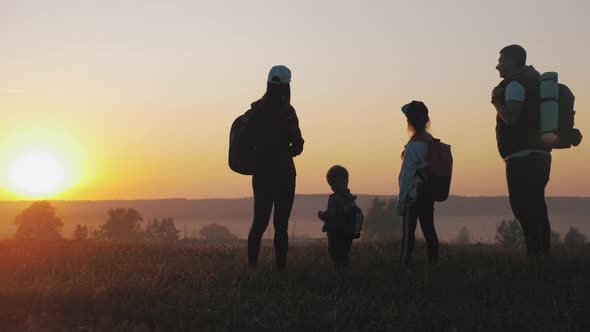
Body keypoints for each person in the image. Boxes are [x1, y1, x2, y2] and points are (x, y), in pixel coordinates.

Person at [492, 44, 552, 256]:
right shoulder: (536, 82)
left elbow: (513, 118)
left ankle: (535, 257)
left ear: (512, 61)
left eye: (501, 61)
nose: (497, 66)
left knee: (523, 208)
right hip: (542, 155)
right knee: (537, 206)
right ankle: (544, 256)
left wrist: (496, 101)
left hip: (521, 157)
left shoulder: (515, 85)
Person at [246, 65, 305, 270]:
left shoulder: (254, 111)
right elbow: (297, 145)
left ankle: (252, 267)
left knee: (259, 223)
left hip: (261, 174)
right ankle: (281, 270)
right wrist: (287, 151)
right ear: (287, 86)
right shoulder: (287, 112)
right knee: (281, 226)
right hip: (284, 174)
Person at [395, 101, 439, 266]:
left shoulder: (413, 147)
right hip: (428, 193)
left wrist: (401, 202)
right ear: (427, 121)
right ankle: (433, 264)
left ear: (409, 123)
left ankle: (404, 264)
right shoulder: (431, 142)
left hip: (413, 196)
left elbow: (406, 177)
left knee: (408, 233)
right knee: (429, 230)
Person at [317, 165, 357, 269]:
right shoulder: (350, 197)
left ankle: (337, 273)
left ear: (332, 184)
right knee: (345, 253)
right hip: (348, 232)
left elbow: (331, 214)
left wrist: (321, 214)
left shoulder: (334, 199)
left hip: (335, 233)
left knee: (334, 254)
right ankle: (345, 271)